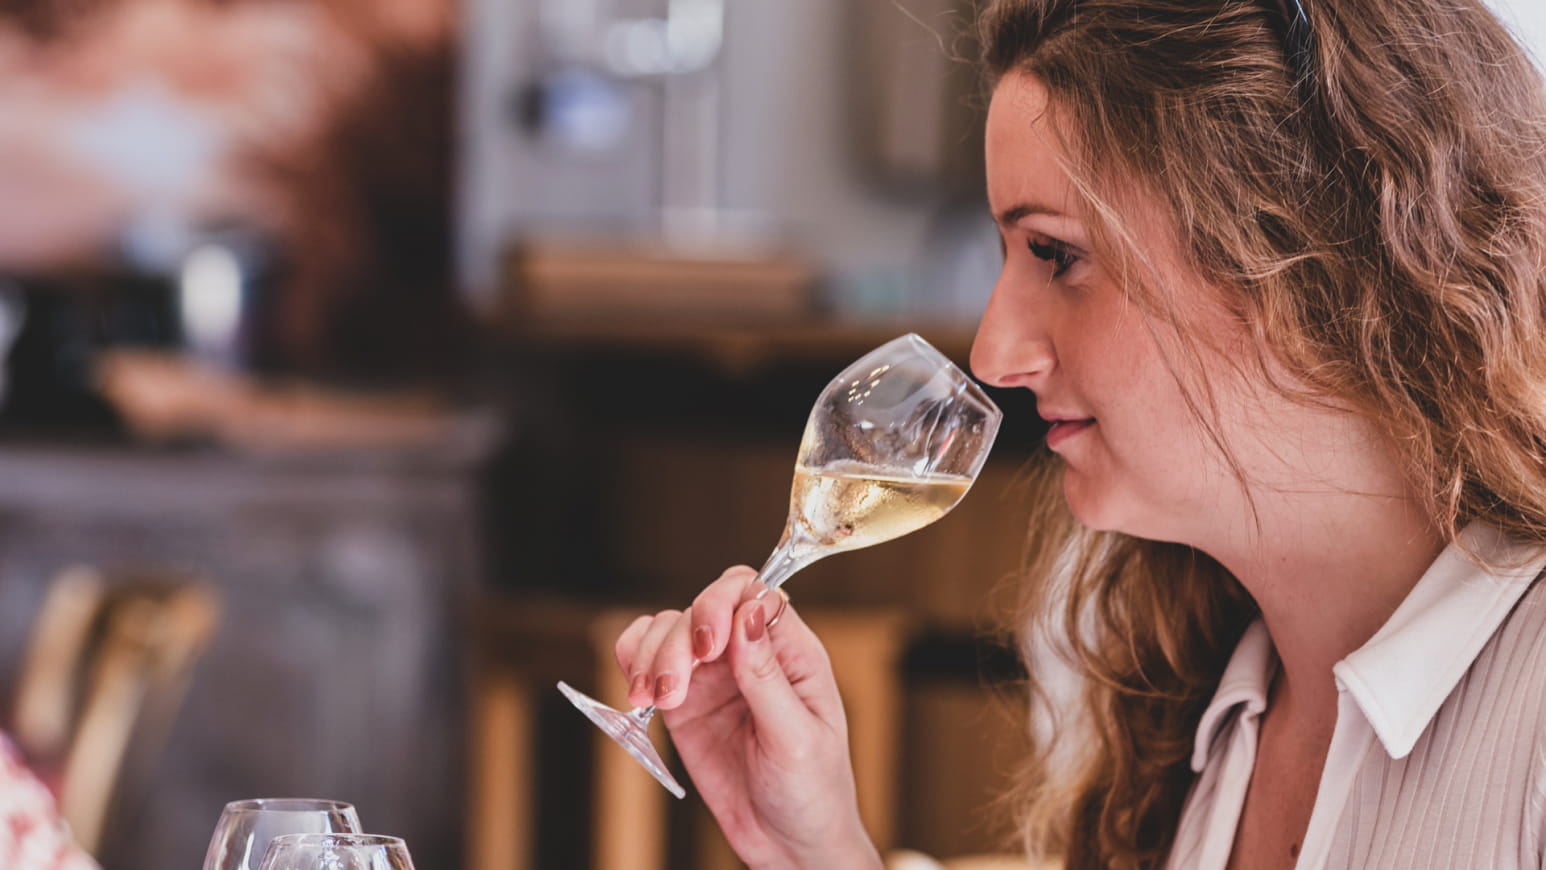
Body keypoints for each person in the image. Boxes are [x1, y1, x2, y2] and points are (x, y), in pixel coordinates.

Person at [612, 0, 1546, 867]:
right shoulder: (1180, 696)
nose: (992, 353)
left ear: (1297, 257)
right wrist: (820, 851)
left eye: (1056, 255)